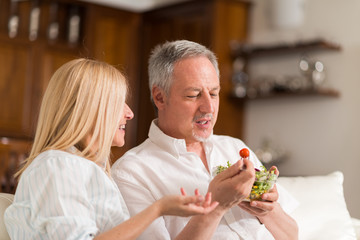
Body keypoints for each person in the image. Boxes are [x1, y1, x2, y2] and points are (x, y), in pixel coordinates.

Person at [4, 58, 219, 240]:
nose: (129, 113)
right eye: (118, 103)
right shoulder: (58, 166)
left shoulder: (83, 169)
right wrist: (158, 209)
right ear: (89, 109)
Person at [111, 40, 299, 240]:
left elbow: (292, 235)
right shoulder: (131, 173)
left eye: (214, 93)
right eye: (194, 95)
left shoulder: (235, 147)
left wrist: (268, 210)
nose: (209, 107)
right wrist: (217, 207)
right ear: (160, 97)